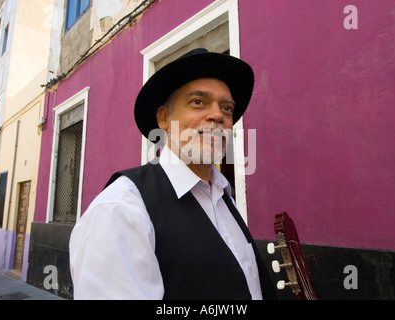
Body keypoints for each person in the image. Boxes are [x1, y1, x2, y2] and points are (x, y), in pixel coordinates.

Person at [69, 48, 276, 300]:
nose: (217, 115)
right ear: (165, 118)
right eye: (198, 102)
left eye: (227, 108)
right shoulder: (122, 208)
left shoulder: (224, 197)